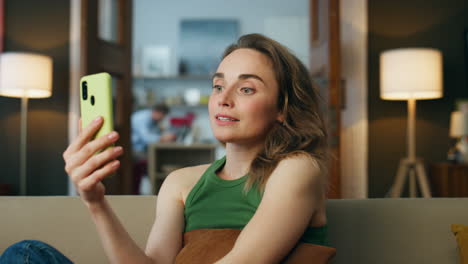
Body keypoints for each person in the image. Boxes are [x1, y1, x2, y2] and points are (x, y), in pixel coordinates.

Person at [0, 33, 331, 263]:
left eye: (245, 89)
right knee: (27, 254)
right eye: (218, 85)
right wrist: (95, 201)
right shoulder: (181, 183)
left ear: (282, 108)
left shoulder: (297, 168)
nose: (222, 99)